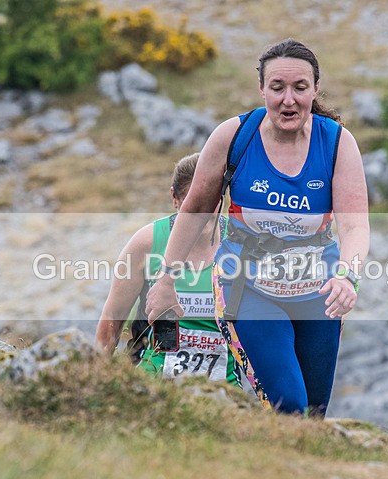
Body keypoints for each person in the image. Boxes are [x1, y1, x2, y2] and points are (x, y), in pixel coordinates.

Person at [145, 38, 369, 416]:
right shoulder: (234, 136)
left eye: (300, 88)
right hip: (247, 289)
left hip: (318, 292)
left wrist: (348, 277)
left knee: (313, 412)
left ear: (315, 88)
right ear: (261, 88)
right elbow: (197, 208)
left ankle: (289, 473)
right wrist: (166, 279)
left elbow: (355, 226)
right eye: (277, 88)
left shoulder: (336, 143)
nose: (289, 100)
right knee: (289, 406)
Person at [94, 153, 240, 386]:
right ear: (175, 198)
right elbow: (112, 318)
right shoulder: (147, 242)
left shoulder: (240, 242)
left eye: (210, 200)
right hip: (152, 383)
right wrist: (97, 383)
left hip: (225, 387)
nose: (202, 212)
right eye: (192, 203)